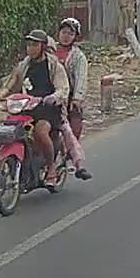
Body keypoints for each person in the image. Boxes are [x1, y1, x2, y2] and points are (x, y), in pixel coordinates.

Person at [2, 30, 70, 186]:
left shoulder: (54, 65)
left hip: (48, 109)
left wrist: (53, 97)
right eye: (28, 45)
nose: (30, 48)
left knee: (40, 132)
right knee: (10, 130)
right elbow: (11, 85)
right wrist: (0, 96)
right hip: (26, 107)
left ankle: (51, 167)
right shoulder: (23, 65)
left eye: (35, 45)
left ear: (43, 46)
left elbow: (63, 88)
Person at [55, 18, 92, 181]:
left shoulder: (78, 57)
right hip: (48, 95)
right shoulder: (49, 51)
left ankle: (77, 164)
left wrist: (77, 99)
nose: (66, 36)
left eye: (70, 34)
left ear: (75, 37)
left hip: (69, 98)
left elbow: (81, 78)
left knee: (72, 130)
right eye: (63, 32)